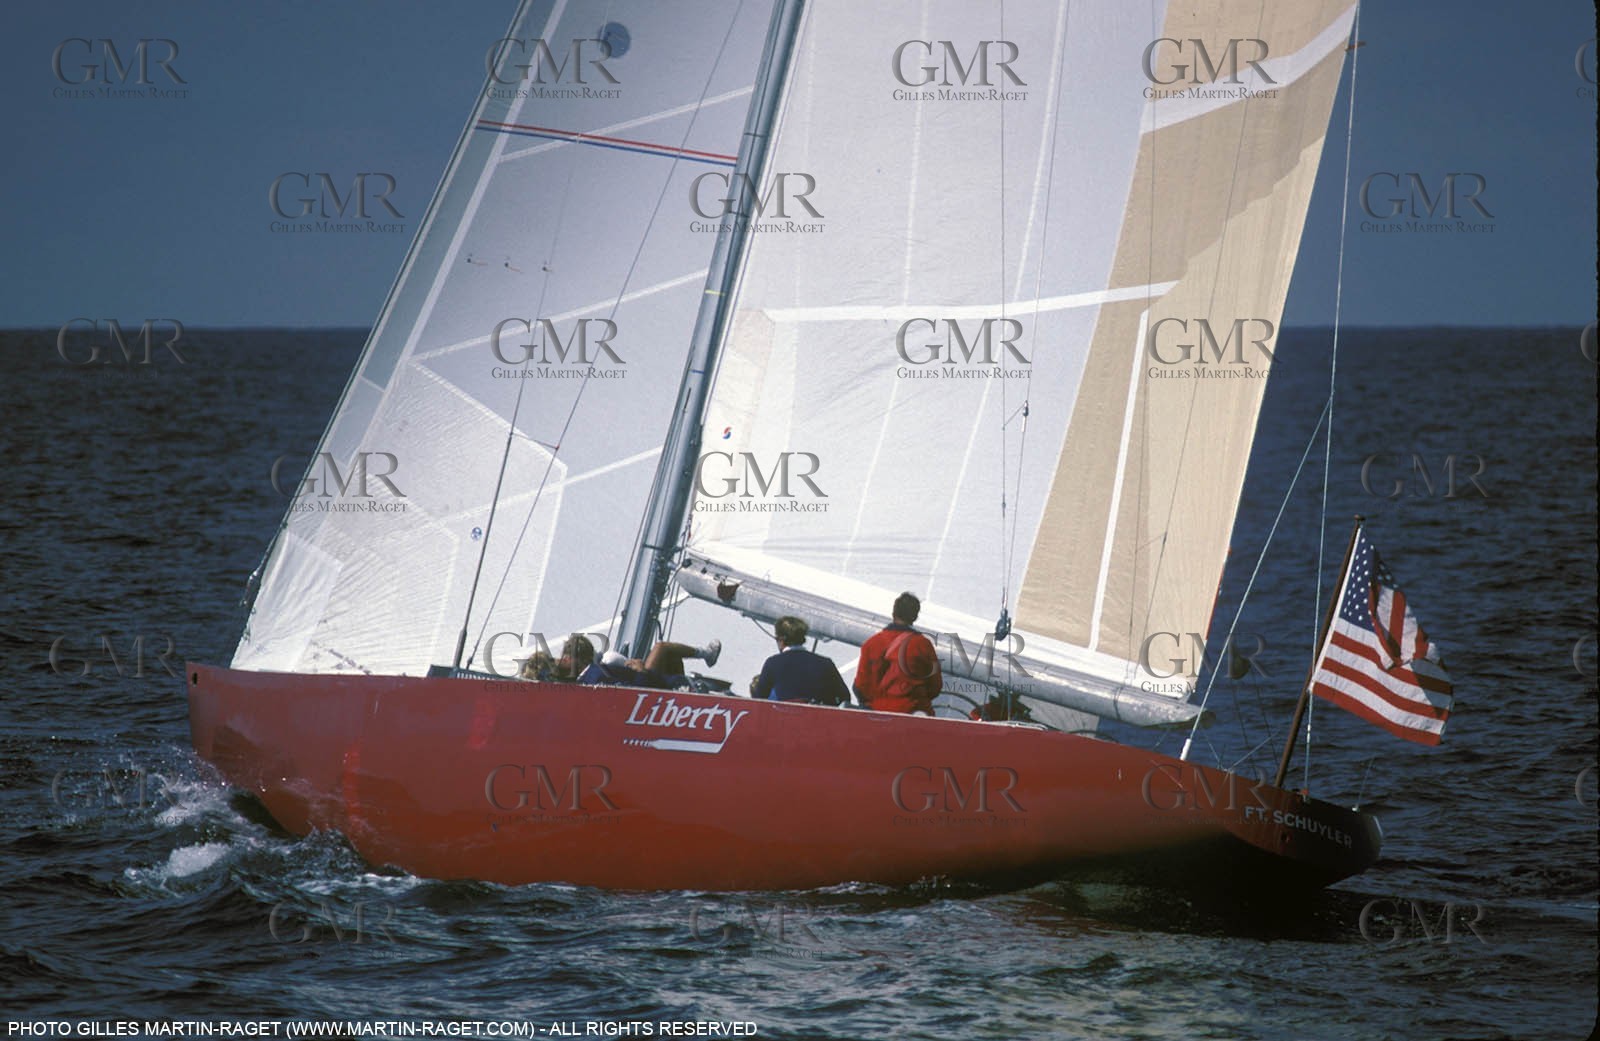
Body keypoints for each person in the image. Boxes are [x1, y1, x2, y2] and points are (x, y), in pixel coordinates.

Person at [854, 592, 941, 714]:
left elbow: (861, 685)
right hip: (915, 713)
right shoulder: (923, 645)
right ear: (915, 617)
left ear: (893, 613)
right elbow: (935, 686)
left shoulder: (871, 644)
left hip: (878, 713)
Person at [750, 616, 850, 706]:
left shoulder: (772, 663)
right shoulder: (825, 663)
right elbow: (845, 697)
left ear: (781, 639)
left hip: (784, 721)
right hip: (818, 721)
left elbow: (759, 700)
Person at [578, 637, 721, 689]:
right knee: (661, 648)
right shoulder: (597, 672)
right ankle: (707, 654)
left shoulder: (599, 667)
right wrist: (640, 670)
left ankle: (685, 686)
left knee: (672, 657)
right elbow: (631, 689)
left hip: (647, 678)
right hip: (646, 682)